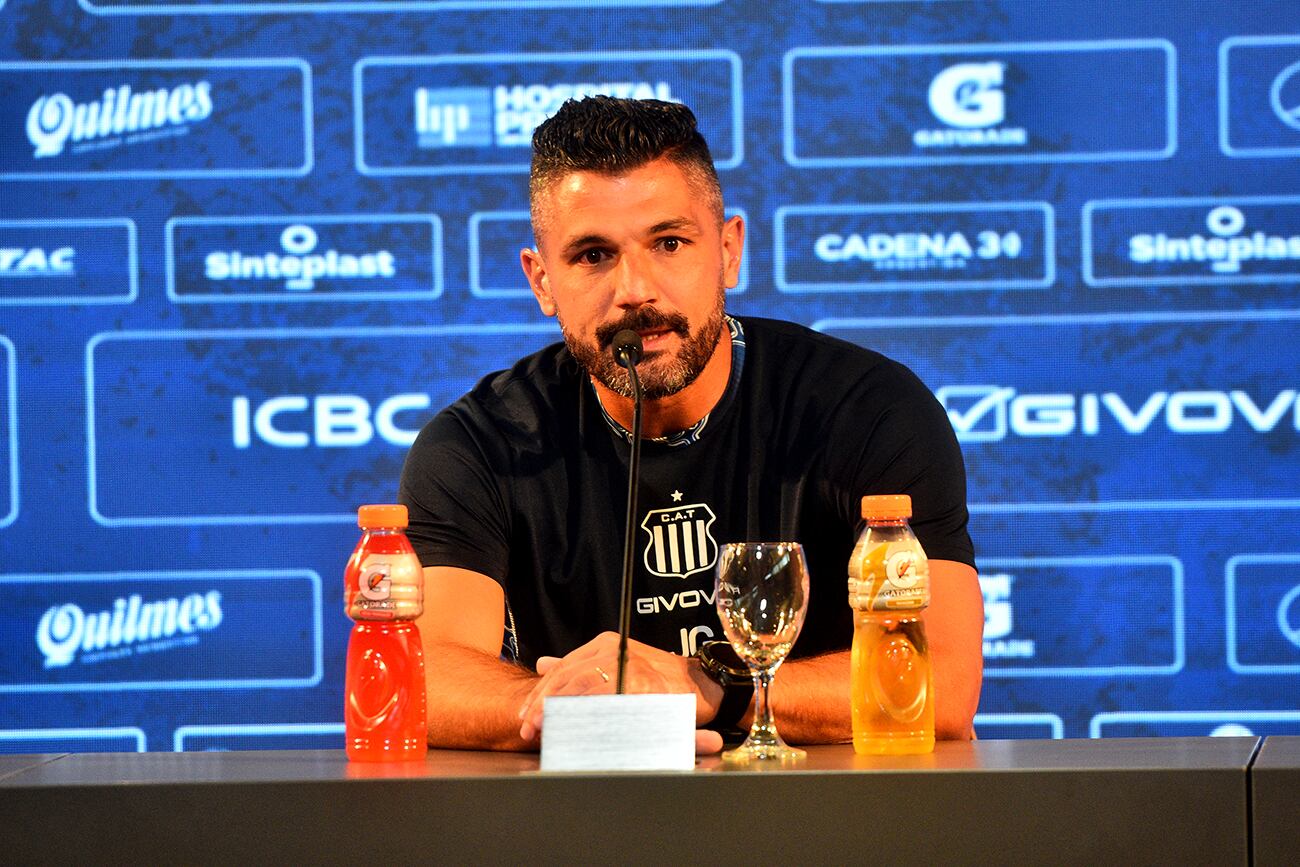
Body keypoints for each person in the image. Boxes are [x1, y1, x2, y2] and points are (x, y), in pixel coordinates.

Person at [399, 96, 983, 753]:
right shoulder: (479, 445)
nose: (635, 289)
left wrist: (706, 687)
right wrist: (553, 704)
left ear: (729, 250)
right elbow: (422, 677)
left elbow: (943, 683)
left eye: (669, 242)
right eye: (593, 255)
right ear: (541, 281)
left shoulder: (870, 410)